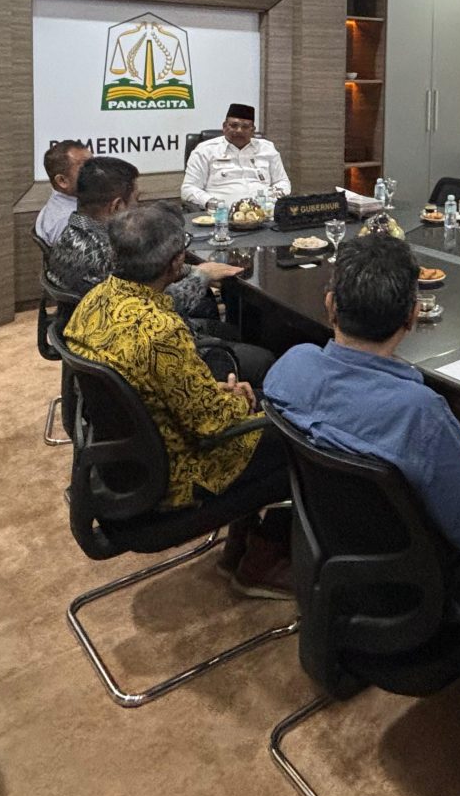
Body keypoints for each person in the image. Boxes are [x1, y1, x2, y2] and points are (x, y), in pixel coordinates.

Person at [63, 203, 293, 597]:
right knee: (299, 433)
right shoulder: (160, 332)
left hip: (127, 466)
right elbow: (213, 425)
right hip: (177, 476)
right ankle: (264, 560)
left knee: (254, 396)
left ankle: (240, 544)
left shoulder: (95, 300)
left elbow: (167, 390)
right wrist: (240, 400)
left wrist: (215, 392)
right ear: (175, 263)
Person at [264, 235, 460, 555]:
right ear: (412, 315)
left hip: (321, 540)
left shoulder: (290, 367)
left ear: (331, 305)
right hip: (418, 568)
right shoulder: (420, 414)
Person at [46, 156, 269, 384]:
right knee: (263, 358)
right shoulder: (108, 253)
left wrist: (189, 269)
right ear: (117, 207)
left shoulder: (72, 234)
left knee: (231, 330)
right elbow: (157, 307)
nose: (139, 208)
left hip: (103, 346)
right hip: (148, 357)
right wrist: (202, 276)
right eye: (136, 200)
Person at [180, 104, 291, 209]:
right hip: (222, 214)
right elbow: (188, 188)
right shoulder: (205, 150)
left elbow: (282, 182)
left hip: (265, 213)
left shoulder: (267, 149)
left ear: (253, 130)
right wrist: (213, 203)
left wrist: (273, 199)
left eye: (245, 127)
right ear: (224, 127)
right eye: (234, 126)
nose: (239, 131)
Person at [35, 139, 89, 246]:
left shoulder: (74, 202)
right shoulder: (65, 222)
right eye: (86, 168)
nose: (97, 172)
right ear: (62, 181)